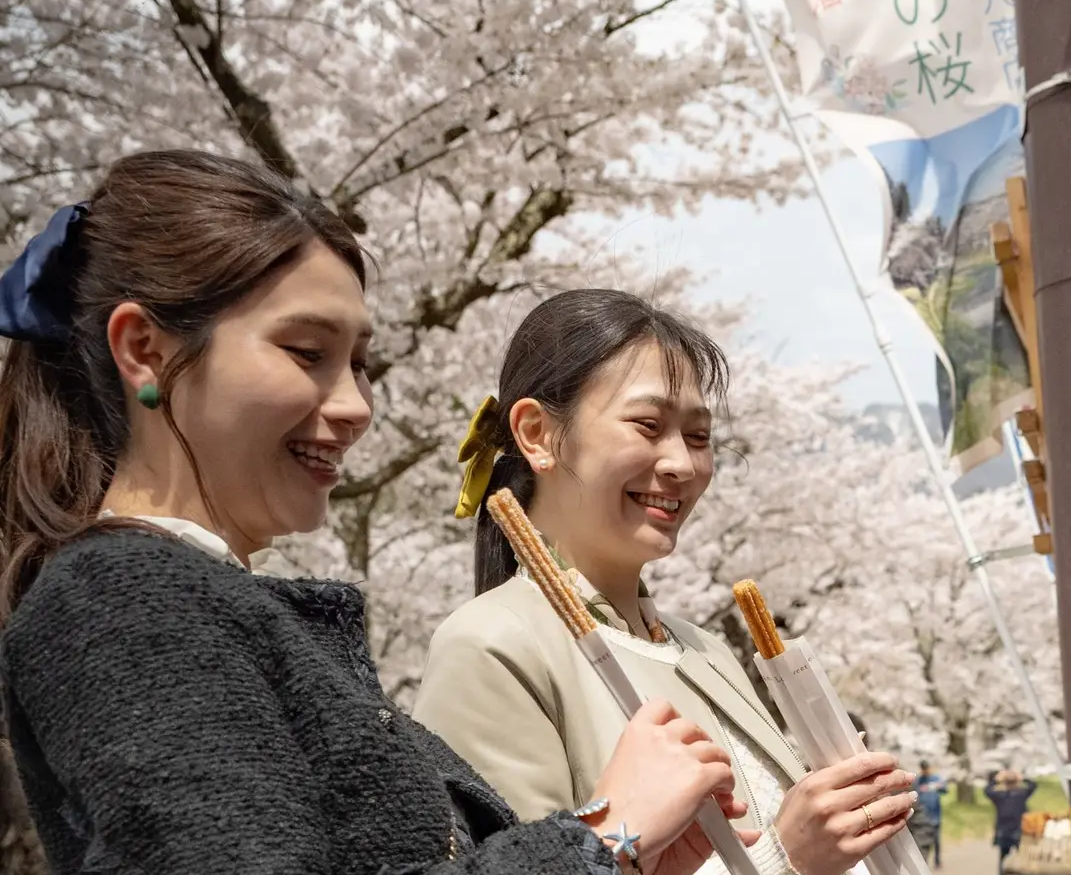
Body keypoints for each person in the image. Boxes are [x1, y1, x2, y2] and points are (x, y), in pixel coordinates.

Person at [0, 151, 750, 875]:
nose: (356, 406)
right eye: (305, 352)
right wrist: (605, 835)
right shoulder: (123, 598)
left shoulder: (191, 599)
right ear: (146, 350)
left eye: (358, 363)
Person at [413, 289, 917, 875]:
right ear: (537, 433)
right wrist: (787, 855)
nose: (681, 463)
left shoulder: (708, 650)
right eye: (648, 425)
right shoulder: (491, 645)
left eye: (699, 437)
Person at [985, 770, 1037, 875]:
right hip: (1019, 828)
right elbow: (1033, 785)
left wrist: (996, 780)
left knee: (1003, 856)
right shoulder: (1021, 794)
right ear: (1017, 782)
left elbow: (987, 790)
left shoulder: (999, 795)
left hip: (1004, 830)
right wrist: (1023, 777)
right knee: (1022, 854)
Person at [909, 761, 946, 868]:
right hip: (923, 816)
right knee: (924, 841)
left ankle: (937, 860)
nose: (925, 770)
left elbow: (944, 789)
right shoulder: (919, 780)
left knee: (936, 840)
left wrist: (938, 786)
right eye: (923, 768)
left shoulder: (936, 779)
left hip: (935, 815)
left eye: (926, 768)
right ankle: (925, 862)